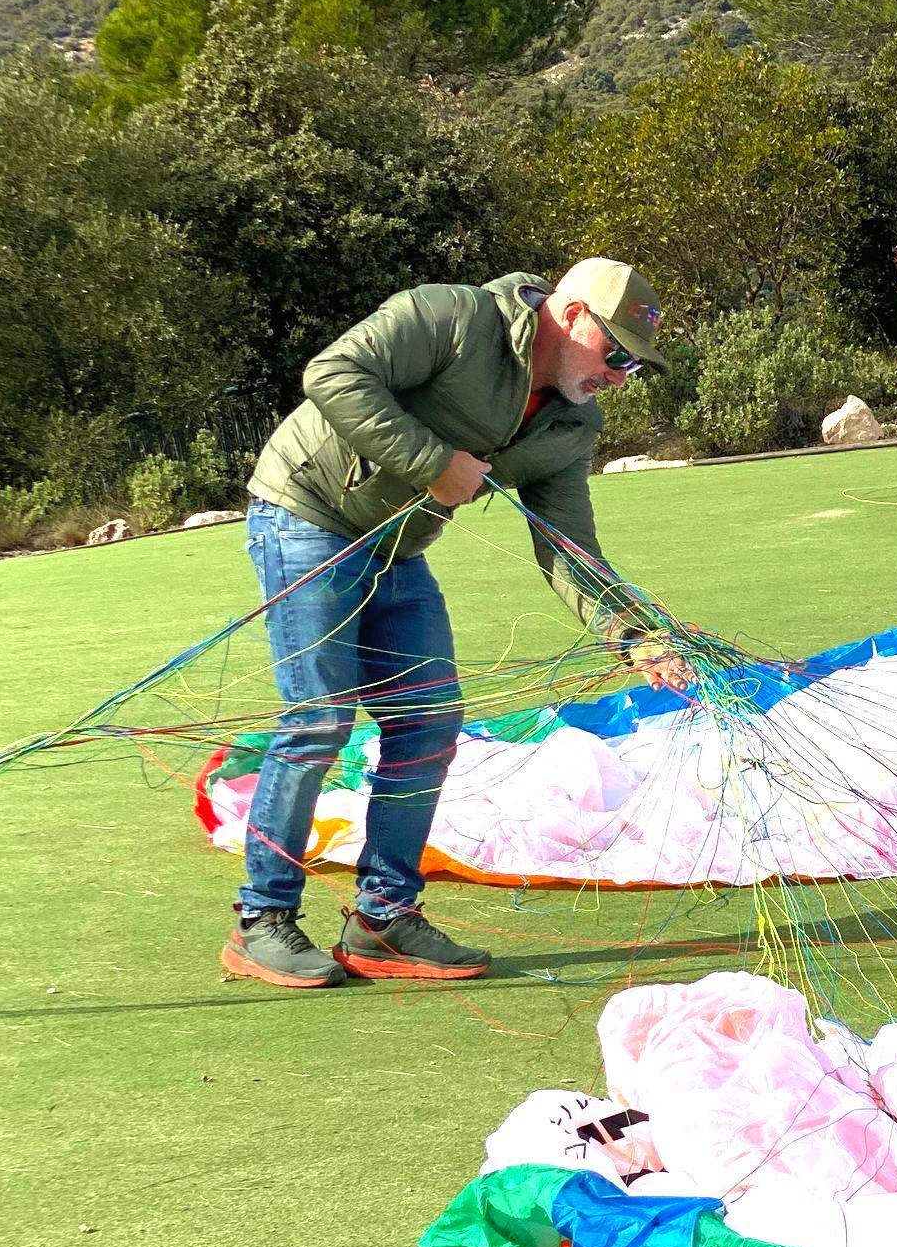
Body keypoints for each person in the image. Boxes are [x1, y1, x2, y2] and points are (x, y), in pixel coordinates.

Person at [224, 259, 687, 990]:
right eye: (617, 354)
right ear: (570, 318)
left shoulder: (572, 422)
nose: (621, 376)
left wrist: (635, 635)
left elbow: (568, 546)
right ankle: (263, 921)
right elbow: (334, 374)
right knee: (318, 720)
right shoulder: (454, 317)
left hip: (396, 549)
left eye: (635, 365)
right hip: (307, 514)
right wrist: (433, 461)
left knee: (430, 722)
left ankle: (382, 919)